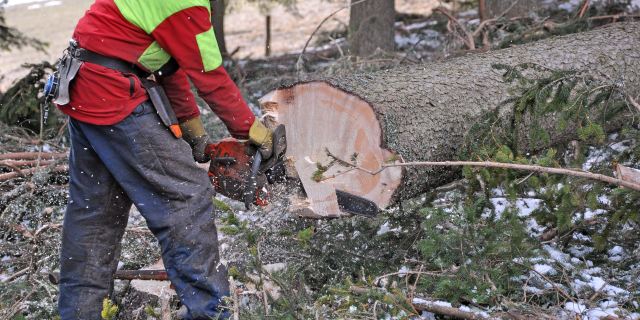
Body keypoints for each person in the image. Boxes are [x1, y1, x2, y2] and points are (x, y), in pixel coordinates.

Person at [54, 0, 273, 318]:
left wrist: (194, 134)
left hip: (86, 86)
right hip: (111, 90)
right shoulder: (185, 4)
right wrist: (255, 133)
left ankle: (79, 312)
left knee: (94, 214)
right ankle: (211, 311)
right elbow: (210, 77)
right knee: (187, 197)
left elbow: (169, 67)